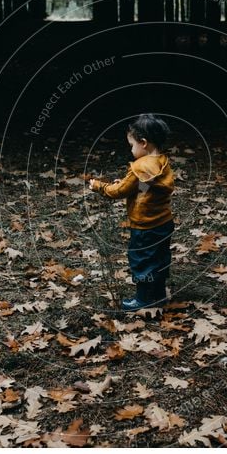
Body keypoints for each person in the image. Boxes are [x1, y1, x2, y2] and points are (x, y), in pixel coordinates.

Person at [88, 114, 175, 311]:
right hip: (163, 223)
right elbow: (148, 186)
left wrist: (99, 186)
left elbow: (118, 192)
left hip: (145, 226)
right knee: (159, 259)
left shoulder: (140, 166)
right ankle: (159, 294)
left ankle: (144, 299)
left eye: (132, 145)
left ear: (143, 143)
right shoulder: (161, 162)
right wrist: (133, 187)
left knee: (142, 260)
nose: (131, 149)